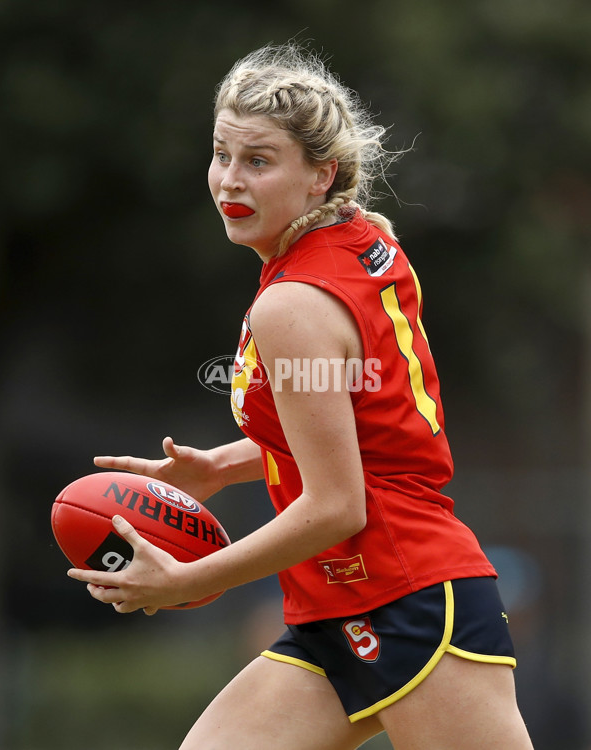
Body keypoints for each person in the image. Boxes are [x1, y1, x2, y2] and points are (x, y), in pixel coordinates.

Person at [68, 43, 535, 749]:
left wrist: (187, 577)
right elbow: (359, 424)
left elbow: (337, 504)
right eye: (222, 154)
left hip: (408, 599)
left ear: (322, 175)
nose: (230, 179)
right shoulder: (359, 241)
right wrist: (224, 467)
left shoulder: (293, 304)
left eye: (258, 161)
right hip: (338, 608)